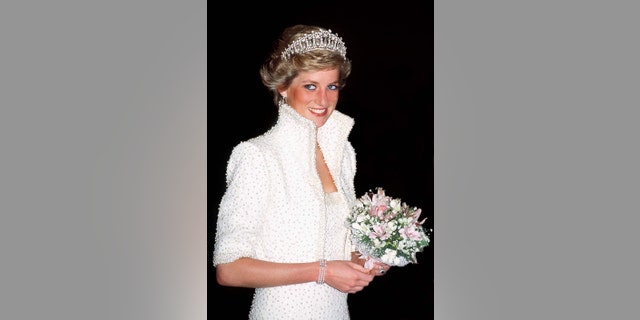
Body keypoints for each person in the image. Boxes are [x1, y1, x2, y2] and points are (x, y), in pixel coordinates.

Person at [213, 24, 390, 319]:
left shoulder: (344, 155)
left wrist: (368, 260)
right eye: (310, 86)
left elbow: (335, 251)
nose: (323, 100)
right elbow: (229, 270)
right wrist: (322, 272)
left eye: (331, 86)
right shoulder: (258, 155)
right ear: (283, 87)